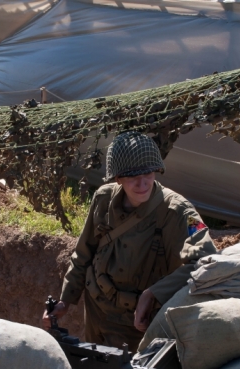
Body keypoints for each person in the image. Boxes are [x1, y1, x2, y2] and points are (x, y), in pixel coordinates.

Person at [43, 131, 217, 349]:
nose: (142, 183)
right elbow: (84, 252)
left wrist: (153, 293)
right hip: (96, 310)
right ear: (118, 178)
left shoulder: (179, 212)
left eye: (148, 174)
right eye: (133, 176)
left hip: (136, 323)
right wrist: (65, 300)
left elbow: (208, 261)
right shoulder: (103, 199)